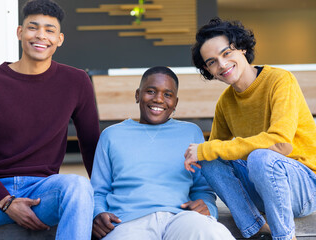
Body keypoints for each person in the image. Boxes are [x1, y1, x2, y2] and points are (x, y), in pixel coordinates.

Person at [0, 0, 100, 239]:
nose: (40, 36)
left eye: (49, 30)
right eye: (33, 27)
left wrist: (102, 204)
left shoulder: (76, 81)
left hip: (43, 195)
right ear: (20, 32)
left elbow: (92, 146)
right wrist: (6, 202)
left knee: (78, 186)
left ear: (60, 39)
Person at [184, 17, 316, 240]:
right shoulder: (225, 102)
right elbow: (217, 158)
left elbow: (281, 143)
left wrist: (207, 149)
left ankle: (285, 237)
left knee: (260, 157)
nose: (222, 65)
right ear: (209, 70)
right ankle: (256, 228)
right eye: (212, 62)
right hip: (262, 188)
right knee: (210, 157)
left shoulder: (280, 80)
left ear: (242, 48)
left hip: (303, 188)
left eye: (227, 53)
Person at [91, 66, 235, 240]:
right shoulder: (111, 135)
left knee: (213, 233)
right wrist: (98, 214)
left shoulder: (191, 133)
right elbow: (99, 191)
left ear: (176, 102)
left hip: (180, 218)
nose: (159, 99)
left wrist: (208, 207)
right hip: (128, 222)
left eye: (168, 94)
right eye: (151, 91)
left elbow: (202, 188)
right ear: (137, 95)